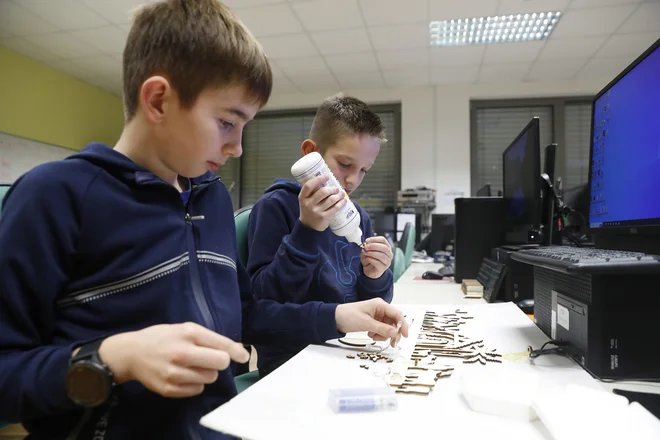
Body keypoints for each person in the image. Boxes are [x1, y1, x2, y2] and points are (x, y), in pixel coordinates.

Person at [0, 2, 407, 439]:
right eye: (227, 123)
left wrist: (341, 316)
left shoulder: (211, 198)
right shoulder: (56, 196)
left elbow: (252, 317)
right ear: (158, 100)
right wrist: (112, 358)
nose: (238, 148)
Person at [247, 94, 395, 377]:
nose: (353, 180)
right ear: (310, 154)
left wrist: (376, 275)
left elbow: (373, 301)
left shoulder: (358, 217)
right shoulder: (276, 207)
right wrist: (307, 230)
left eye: (364, 169)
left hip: (348, 351)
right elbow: (263, 300)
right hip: (291, 360)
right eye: (344, 164)